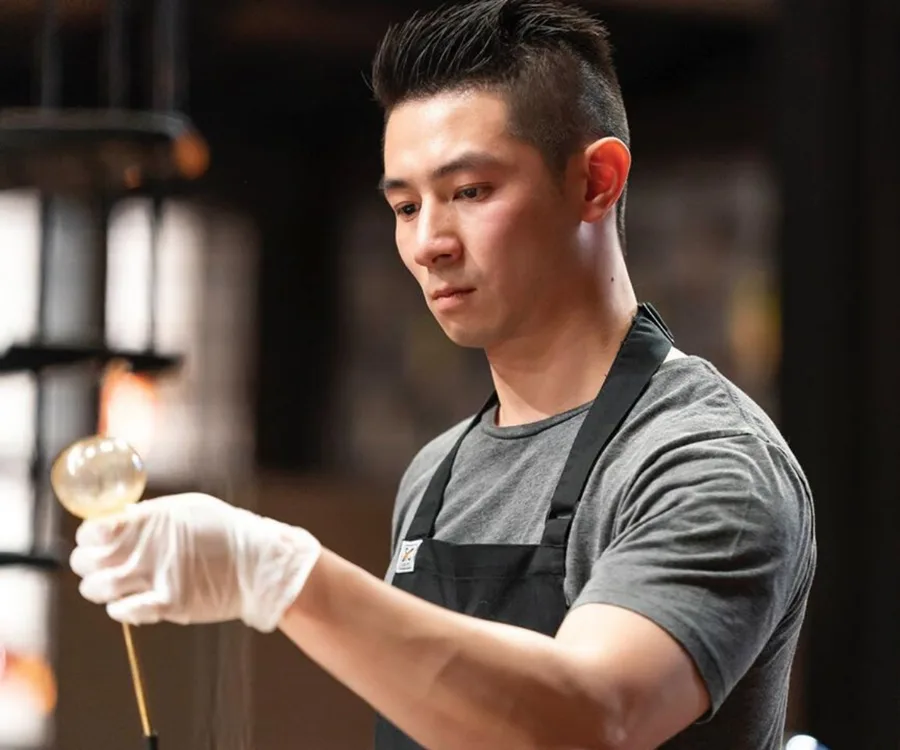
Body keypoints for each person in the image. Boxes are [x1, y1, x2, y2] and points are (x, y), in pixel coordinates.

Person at [69, 1, 817, 748]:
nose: (427, 243)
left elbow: (594, 718)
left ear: (596, 181)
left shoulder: (705, 462)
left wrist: (279, 574)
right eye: (403, 205)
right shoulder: (436, 475)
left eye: (469, 192)